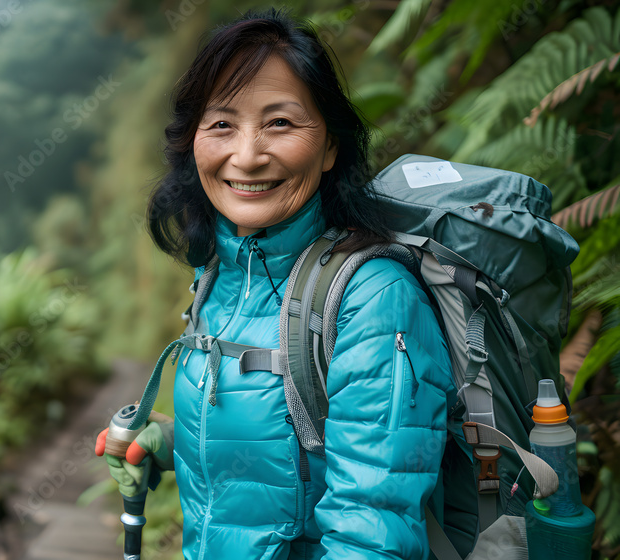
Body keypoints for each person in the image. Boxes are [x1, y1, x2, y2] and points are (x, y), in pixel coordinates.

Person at [96, 8, 464, 559]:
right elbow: (289, 448)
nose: (246, 156)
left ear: (331, 147)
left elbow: (372, 536)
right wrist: (173, 442)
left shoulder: (373, 300)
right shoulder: (217, 279)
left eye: (280, 123)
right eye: (222, 124)